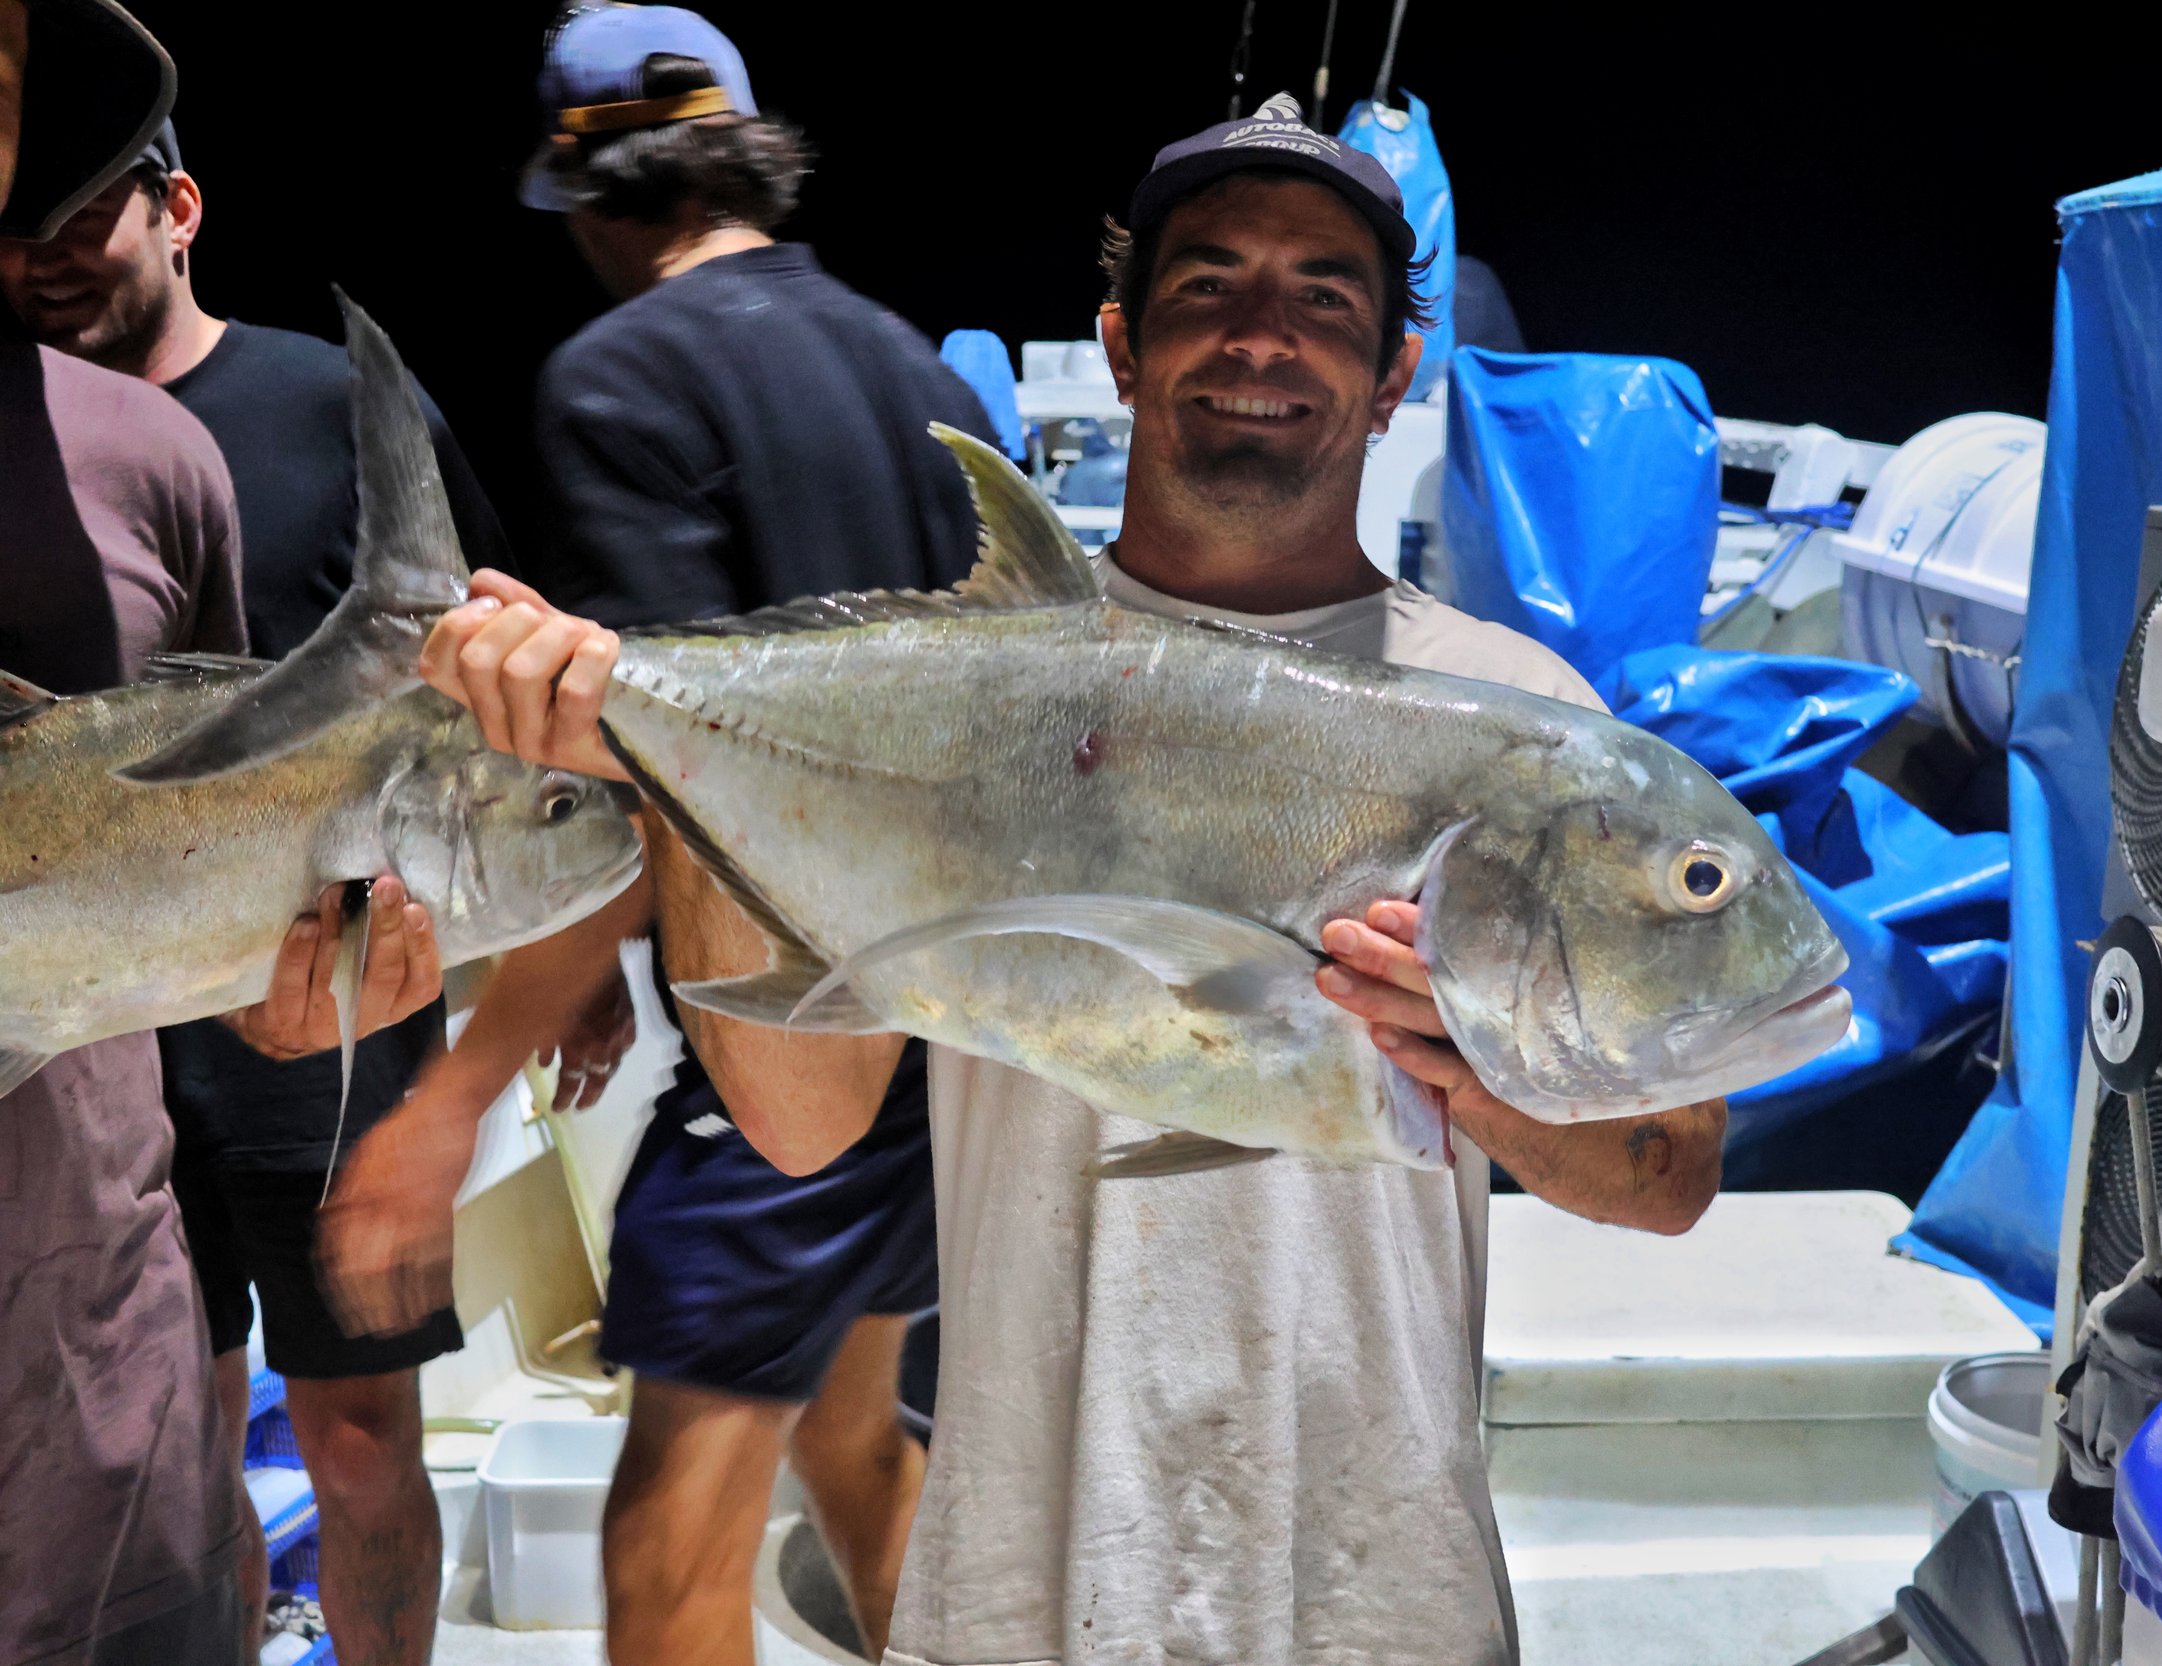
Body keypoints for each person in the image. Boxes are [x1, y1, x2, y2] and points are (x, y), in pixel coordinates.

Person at [414, 90, 1727, 1666]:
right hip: (1024, 1585)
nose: (1262, 333)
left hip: (1383, 1590)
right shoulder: (971, 686)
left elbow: (1670, 1173)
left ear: (1395, 375)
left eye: (1325, 295)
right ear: (1120, 344)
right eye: (1208, 285)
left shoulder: (1522, 724)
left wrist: (1475, 1071)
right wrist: (670, 772)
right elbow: (799, 1112)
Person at [317, 9, 993, 1661]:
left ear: (592, 201)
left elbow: (629, 793)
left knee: (662, 1551)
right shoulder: (909, 362)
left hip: (786, 1047)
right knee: (844, 1428)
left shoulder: (622, 376)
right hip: (946, 1033)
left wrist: (441, 1111)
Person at [0, 117, 515, 1666]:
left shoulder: (313, 402)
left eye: (93, 208)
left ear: (182, 208)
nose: (50, 246)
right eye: (22, 215)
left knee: (356, 1436)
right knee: (189, 1409)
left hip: (321, 1008)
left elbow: (476, 652)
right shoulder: (38, 444)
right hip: (109, 1023)